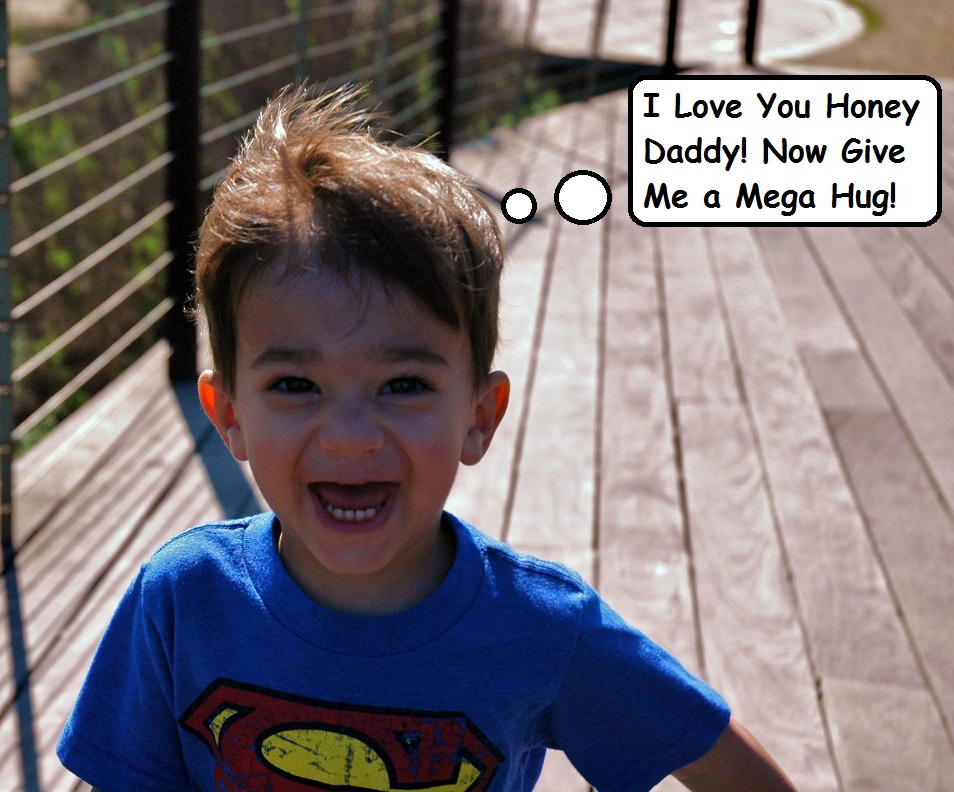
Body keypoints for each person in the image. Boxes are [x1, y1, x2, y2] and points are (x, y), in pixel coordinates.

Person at [58, 84, 798, 792]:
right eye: (295, 385)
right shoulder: (185, 598)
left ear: (479, 416)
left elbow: (715, 759)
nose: (350, 437)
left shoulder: (541, 626)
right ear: (228, 415)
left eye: (404, 385)